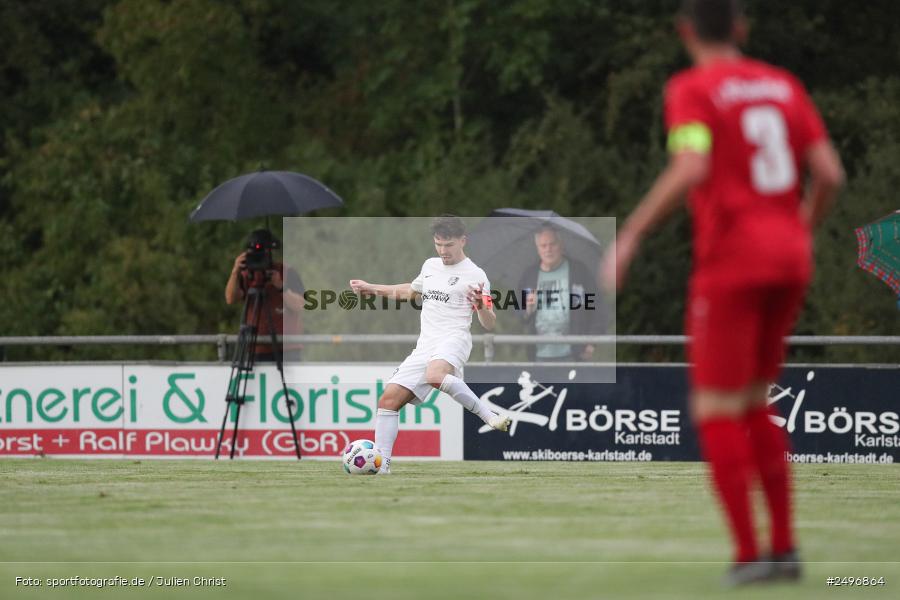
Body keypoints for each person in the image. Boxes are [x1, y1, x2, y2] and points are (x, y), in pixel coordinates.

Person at [601, 0, 844, 586]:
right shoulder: (783, 86)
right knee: (758, 401)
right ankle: (785, 548)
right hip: (790, 257)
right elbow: (831, 174)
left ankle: (749, 554)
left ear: (685, 32)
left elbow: (691, 166)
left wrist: (630, 235)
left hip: (733, 261)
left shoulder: (692, 88)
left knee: (715, 409)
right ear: (741, 28)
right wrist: (801, 230)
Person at [350, 215, 512, 474]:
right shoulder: (430, 266)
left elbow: (489, 323)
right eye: (438, 244)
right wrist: (372, 289)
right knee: (388, 401)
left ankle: (488, 416)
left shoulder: (476, 274)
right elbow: (410, 291)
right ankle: (382, 466)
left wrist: (481, 305)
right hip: (425, 345)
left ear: (462, 241)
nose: (442, 251)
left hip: (454, 338)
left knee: (435, 375)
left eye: (448, 245)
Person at [518, 225, 603, 362]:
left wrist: (592, 342)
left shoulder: (579, 272)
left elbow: (597, 309)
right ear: (537, 248)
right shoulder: (529, 276)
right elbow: (519, 312)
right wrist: (527, 309)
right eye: (543, 245)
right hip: (539, 356)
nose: (548, 250)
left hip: (574, 354)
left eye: (552, 244)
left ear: (561, 245)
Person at [225, 229, 305, 363]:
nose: (260, 258)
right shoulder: (247, 274)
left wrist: (281, 286)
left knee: (290, 384)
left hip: (287, 349)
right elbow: (230, 298)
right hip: (256, 348)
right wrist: (235, 271)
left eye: (263, 254)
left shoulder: (286, 272)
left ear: (271, 253)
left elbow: (301, 305)